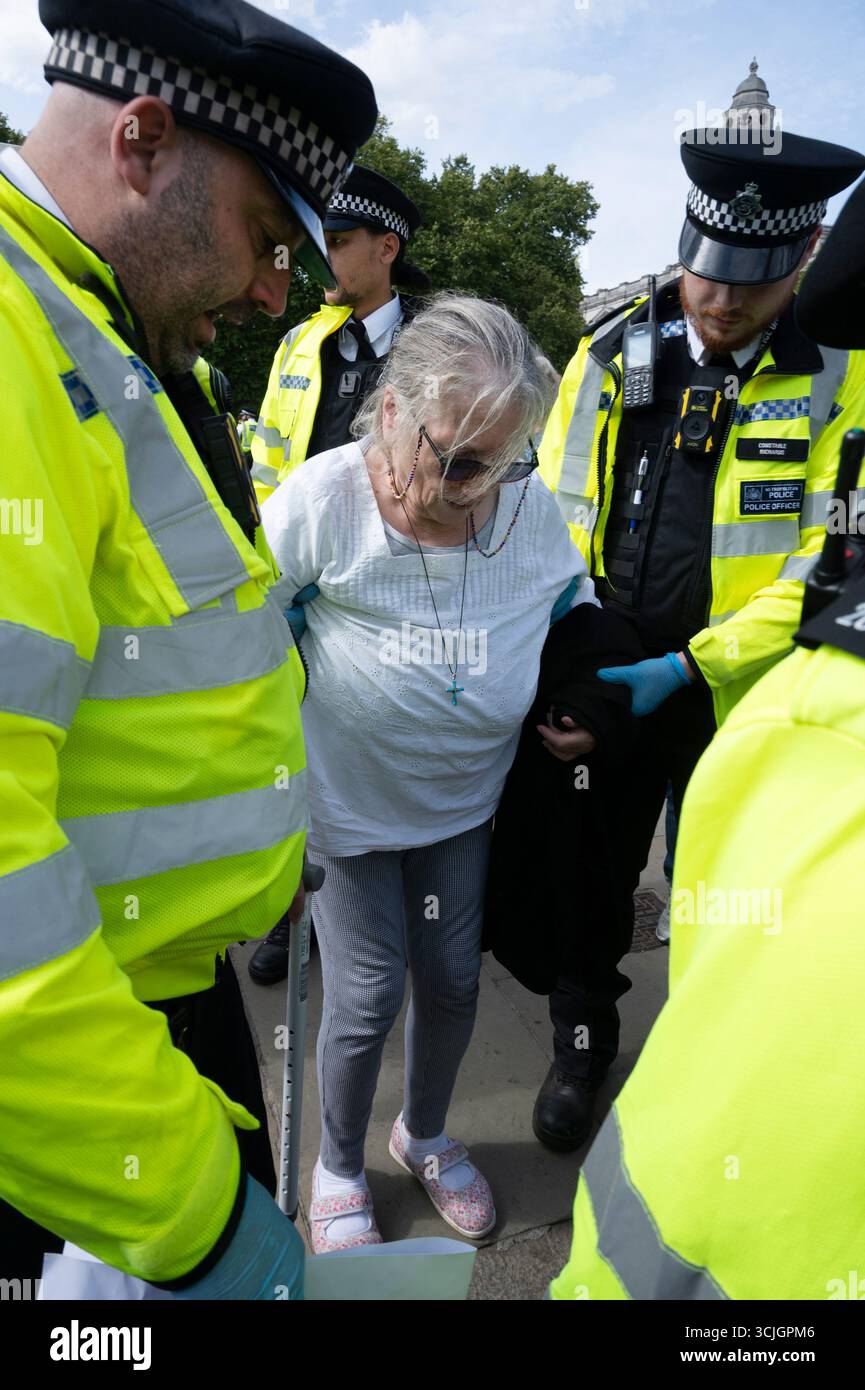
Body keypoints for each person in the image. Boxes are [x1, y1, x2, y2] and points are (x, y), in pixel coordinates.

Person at [0, 0, 376, 1298]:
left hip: (150, 1006)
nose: (279, 290)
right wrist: (195, 1218)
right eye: (268, 238)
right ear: (146, 140)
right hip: (77, 1082)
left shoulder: (102, 330)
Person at [551, 171, 865, 1299]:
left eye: (748, 285)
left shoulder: (844, 373)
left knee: (723, 888)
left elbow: (828, 567)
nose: (716, 304)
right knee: (595, 872)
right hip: (616, 666)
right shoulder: (609, 353)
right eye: (702, 275)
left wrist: (699, 662)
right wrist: (583, 654)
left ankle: (707, 1068)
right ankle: (581, 1044)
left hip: (748, 694)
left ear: (803, 262)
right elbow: (554, 505)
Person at [261, 293, 597, 1252]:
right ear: (395, 410)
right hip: (349, 806)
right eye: (452, 456)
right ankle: (335, 1162)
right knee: (365, 994)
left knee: (451, 981)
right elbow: (248, 614)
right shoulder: (327, 497)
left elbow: (576, 607)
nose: (470, 484)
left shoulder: (520, 508)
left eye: (496, 461)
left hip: (461, 805)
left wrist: (590, 697)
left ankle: (425, 1134)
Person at [249, 164, 431, 504]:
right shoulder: (295, 343)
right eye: (318, 242)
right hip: (294, 549)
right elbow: (265, 466)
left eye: (336, 242)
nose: (321, 256)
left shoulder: (440, 349)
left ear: (387, 249)